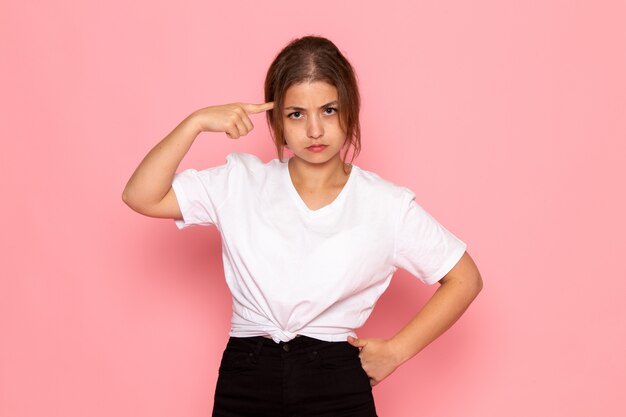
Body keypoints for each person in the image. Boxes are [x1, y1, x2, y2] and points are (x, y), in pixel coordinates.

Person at [122, 36, 483, 417]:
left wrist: (396, 351)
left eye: (329, 110)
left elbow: (465, 278)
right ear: (276, 120)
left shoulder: (386, 204)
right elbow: (140, 196)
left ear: (350, 111)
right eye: (296, 114)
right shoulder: (239, 181)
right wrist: (194, 123)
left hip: (335, 377)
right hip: (247, 371)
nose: (314, 130)